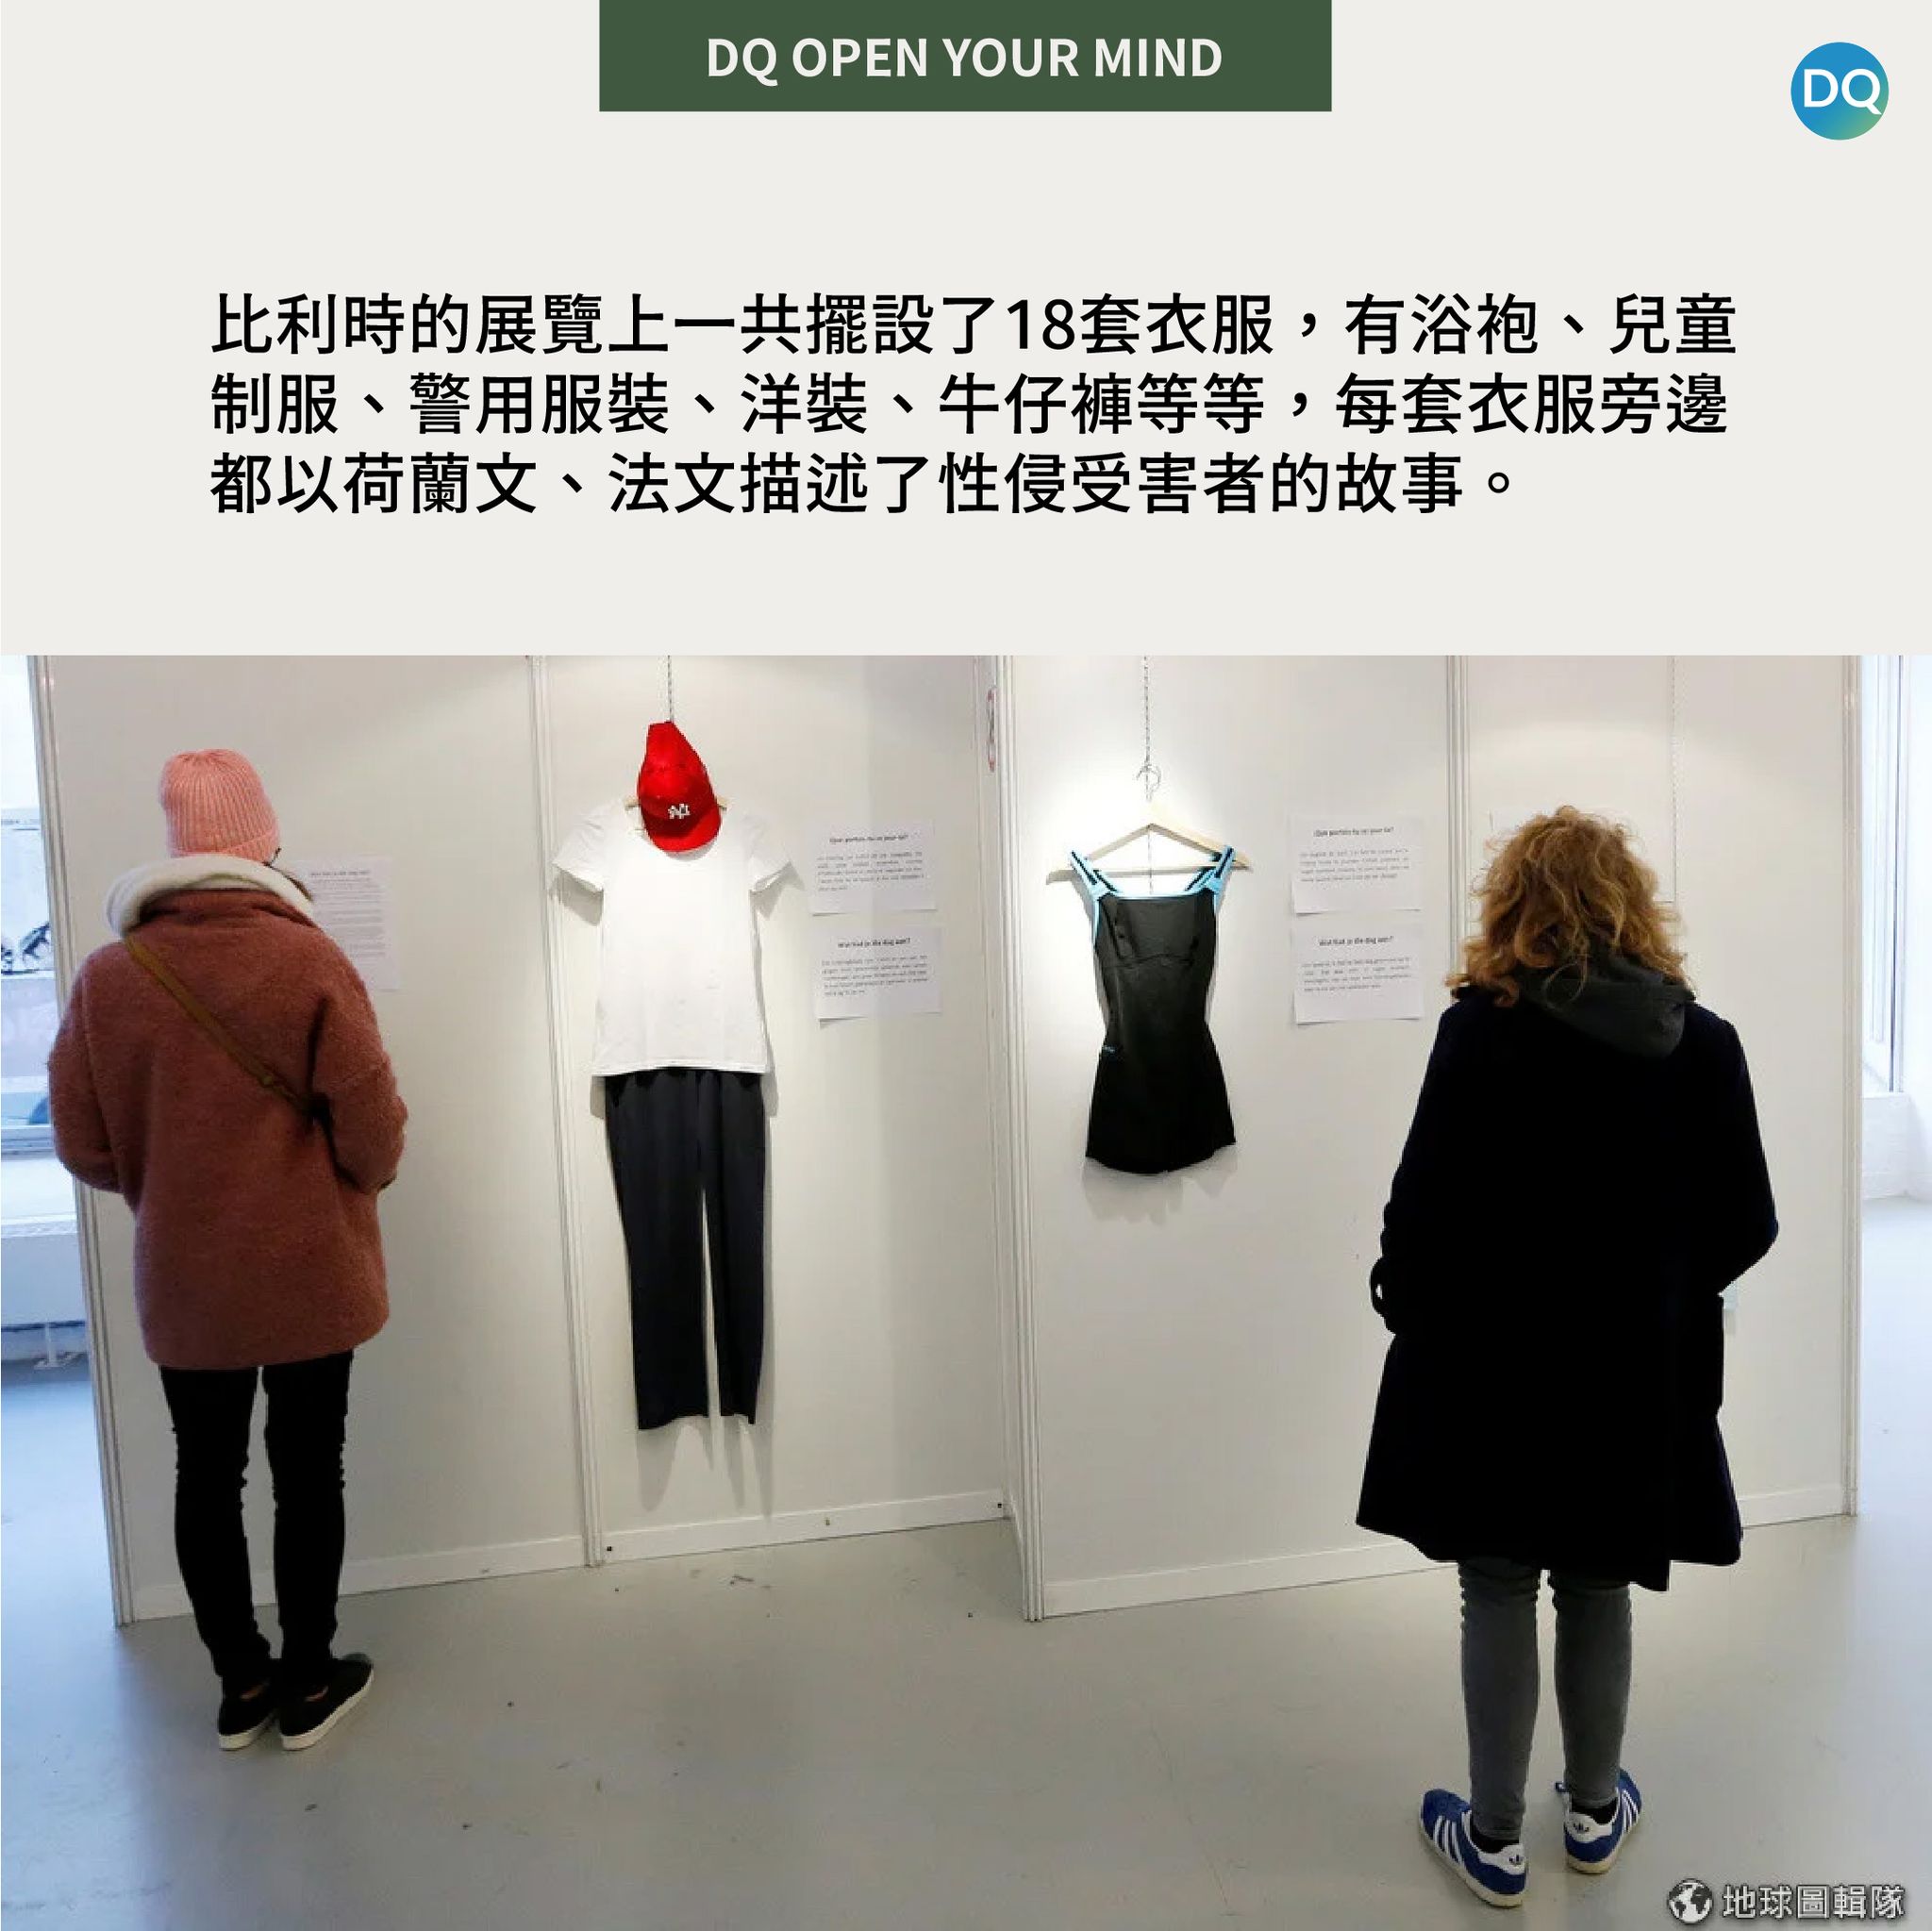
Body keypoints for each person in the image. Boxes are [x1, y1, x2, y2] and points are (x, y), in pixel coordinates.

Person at [1356, 807, 1776, 1908]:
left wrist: (1407, 1297)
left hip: (1487, 1365)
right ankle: (1592, 1815)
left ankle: (1492, 1838)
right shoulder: (1701, 1041)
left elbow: (1419, 1198)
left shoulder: (1475, 1031)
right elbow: (1747, 1221)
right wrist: (1660, 1293)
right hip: (1630, 1374)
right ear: (1631, 905)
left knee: (1495, 1582)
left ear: (1513, 905)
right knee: (1596, 1578)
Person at [48, 750, 407, 1752]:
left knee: (205, 1474)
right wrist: (346, 1183)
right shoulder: (307, 958)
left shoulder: (111, 975)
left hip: (186, 1277)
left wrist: (169, 1193)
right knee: (309, 1470)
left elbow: (80, 1142)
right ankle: (309, 1679)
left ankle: (241, 1683)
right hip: (311, 1270)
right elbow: (373, 1129)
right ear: (264, 842)